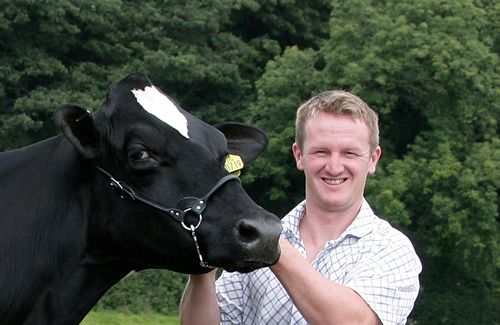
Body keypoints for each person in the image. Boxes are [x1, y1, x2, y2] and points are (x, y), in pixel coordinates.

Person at [179, 90, 422, 325]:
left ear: (373, 159)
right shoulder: (255, 239)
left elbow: (352, 321)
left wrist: (272, 246)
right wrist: (203, 264)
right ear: (299, 155)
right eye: (321, 151)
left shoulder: (392, 250)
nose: (334, 167)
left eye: (349, 153)